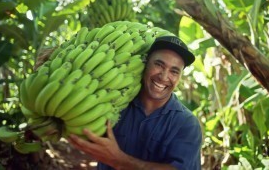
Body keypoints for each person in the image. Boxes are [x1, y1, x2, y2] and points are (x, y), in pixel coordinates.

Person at [68, 35, 202, 170]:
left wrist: (119, 160)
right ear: (145, 63)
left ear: (179, 78)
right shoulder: (115, 103)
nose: (164, 77)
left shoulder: (186, 123)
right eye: (159, 64)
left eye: (174, 71)